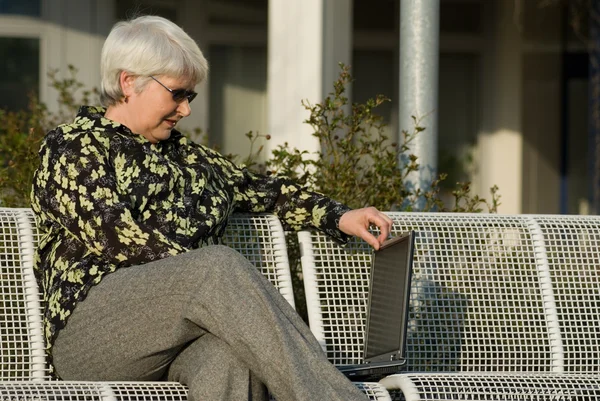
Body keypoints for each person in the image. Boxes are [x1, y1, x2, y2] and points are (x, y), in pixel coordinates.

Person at [30, 15, 393, 401]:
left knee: (227, 360)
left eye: (191, 96)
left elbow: (265, 191)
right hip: (94, 334)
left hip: (180, 336)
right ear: (128, 82)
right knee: (214, 267)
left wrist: (340, 215)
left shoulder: (191, 158)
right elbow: (120, 240)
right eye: (177, 93)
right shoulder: (74, 147)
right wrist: (203, 280)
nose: (185, 110)